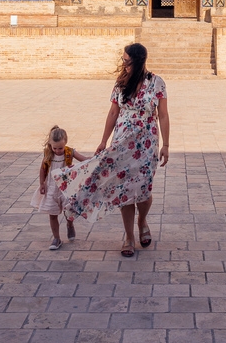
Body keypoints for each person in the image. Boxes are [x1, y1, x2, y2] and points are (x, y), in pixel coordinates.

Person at [52, 42, 169, 257]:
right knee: (124, 190)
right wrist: (103, 141)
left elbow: (162, 114)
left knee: (144, 190)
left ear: (138, 61)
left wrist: (166, 145)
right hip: (122, 145)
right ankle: (129, 236)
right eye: (123, 61)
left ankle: (142, 221)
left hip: (146, 145)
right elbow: (113, 113)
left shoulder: (156, 83)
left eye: (127, 61)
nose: (123, 65)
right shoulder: (121, 83)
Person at [30, 125, 88, 250]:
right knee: (52, 213)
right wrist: (41, 184)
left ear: (65, 142)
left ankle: (70, 224)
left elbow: (84, 160)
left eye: (60, 148)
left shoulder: (69, 152)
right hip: (51, 187)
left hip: (66, 188)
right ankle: (56, 238)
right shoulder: (48, 154)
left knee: (69, 211)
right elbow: (43, 169)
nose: (57, 151)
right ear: (50, 145)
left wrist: (97, 159)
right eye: (54, 148)